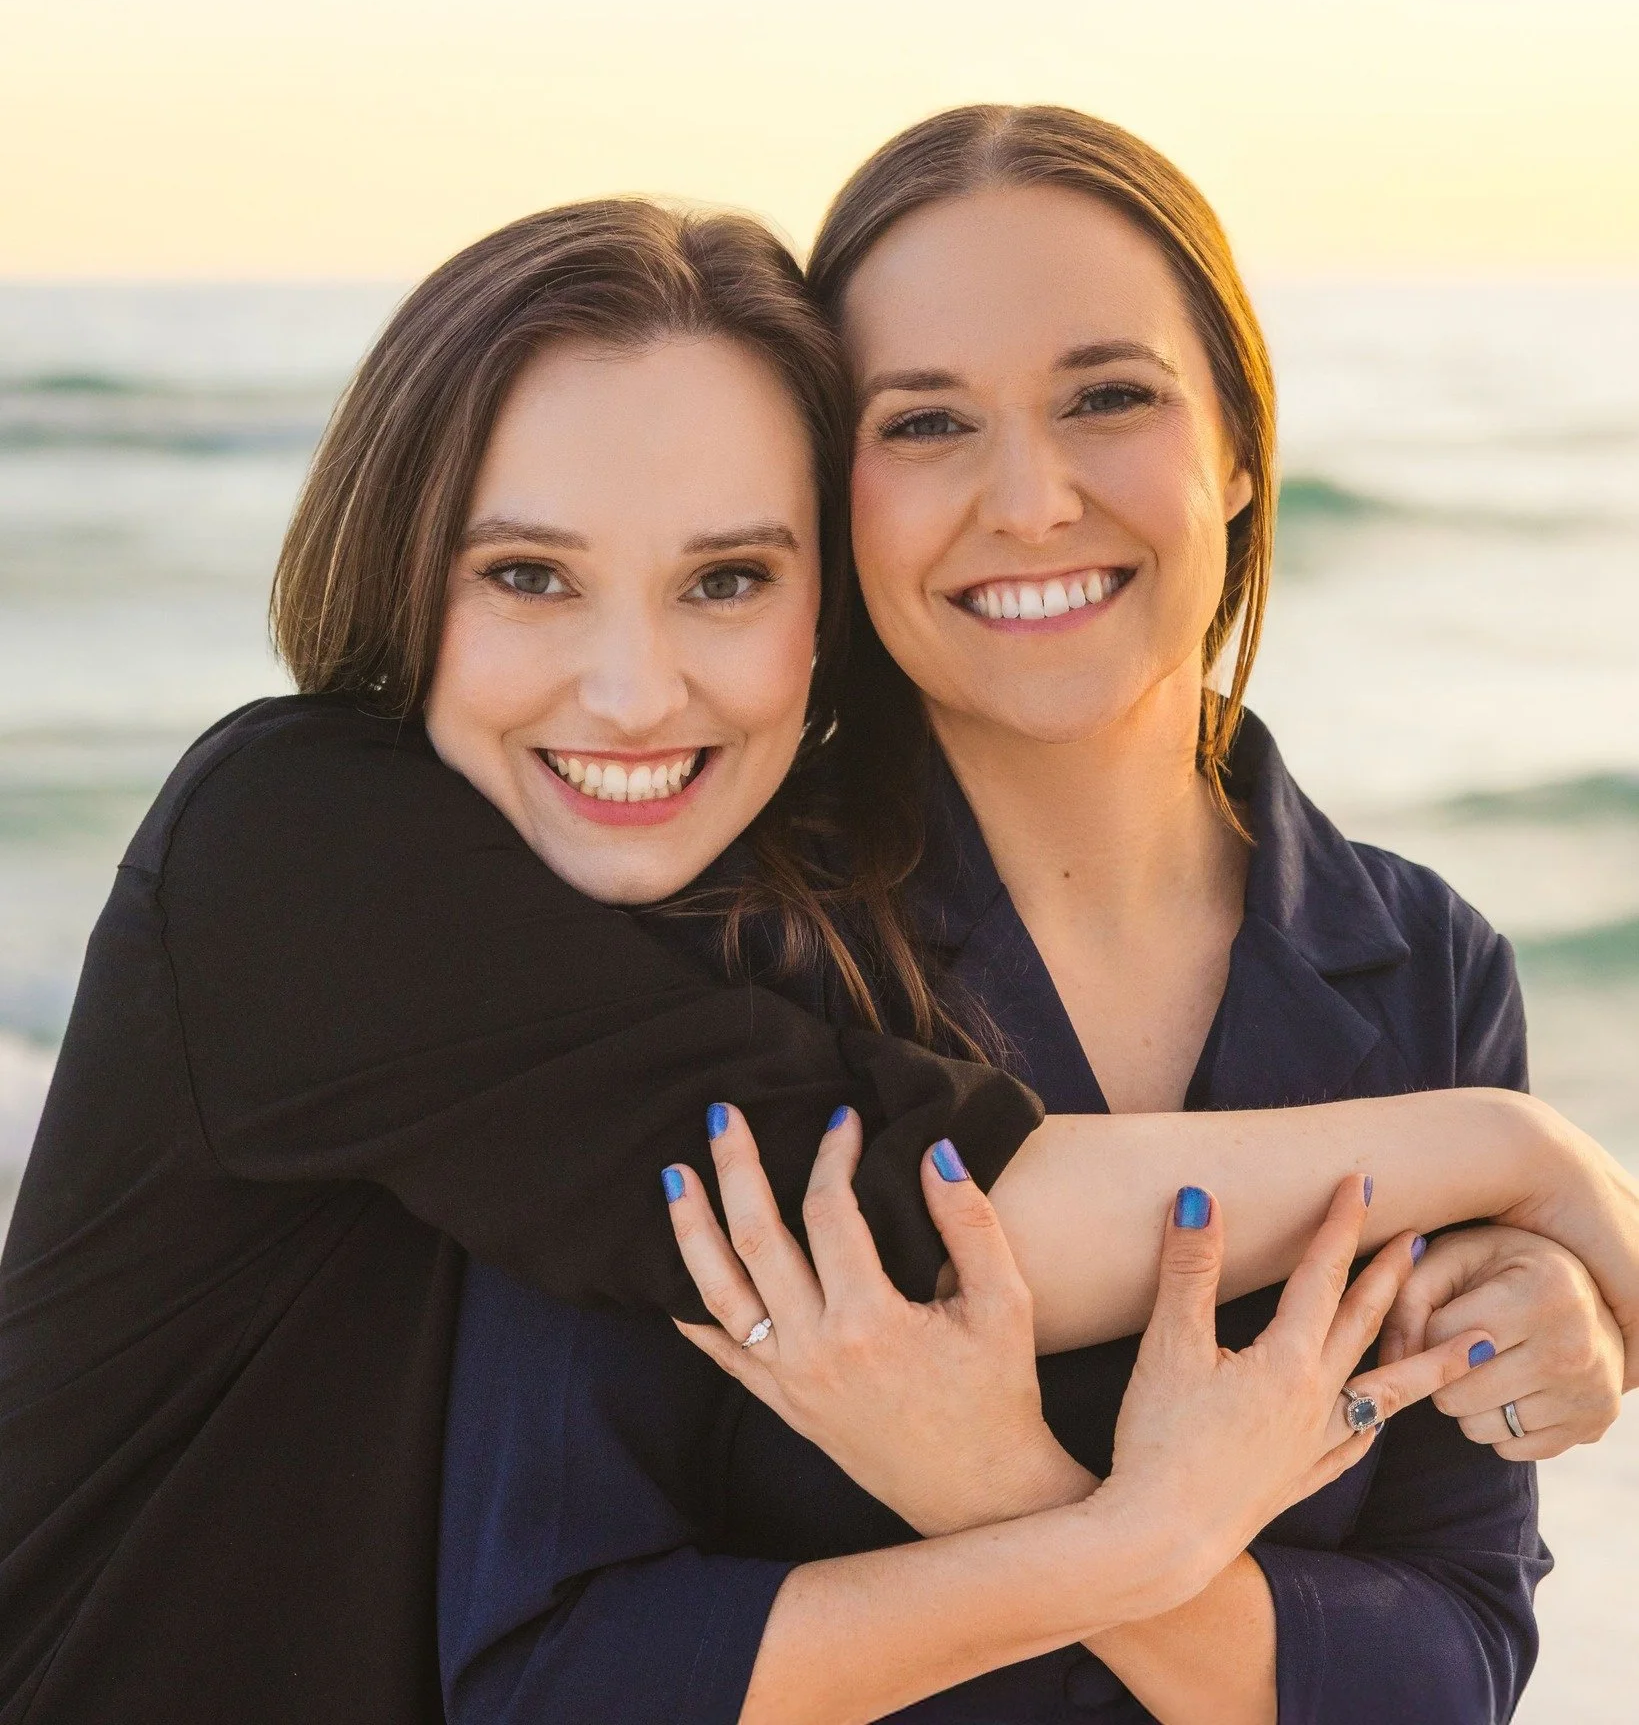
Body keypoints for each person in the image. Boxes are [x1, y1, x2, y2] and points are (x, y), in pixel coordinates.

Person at [3, 200, 1633, 1725]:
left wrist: (1513, 1254)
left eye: (724, 578)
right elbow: (939, 1216)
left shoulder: (1416, 960)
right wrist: (1509, 1158)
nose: (633, 692)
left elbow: (1447, 1655)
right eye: (526, 575)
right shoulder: (308, 848)